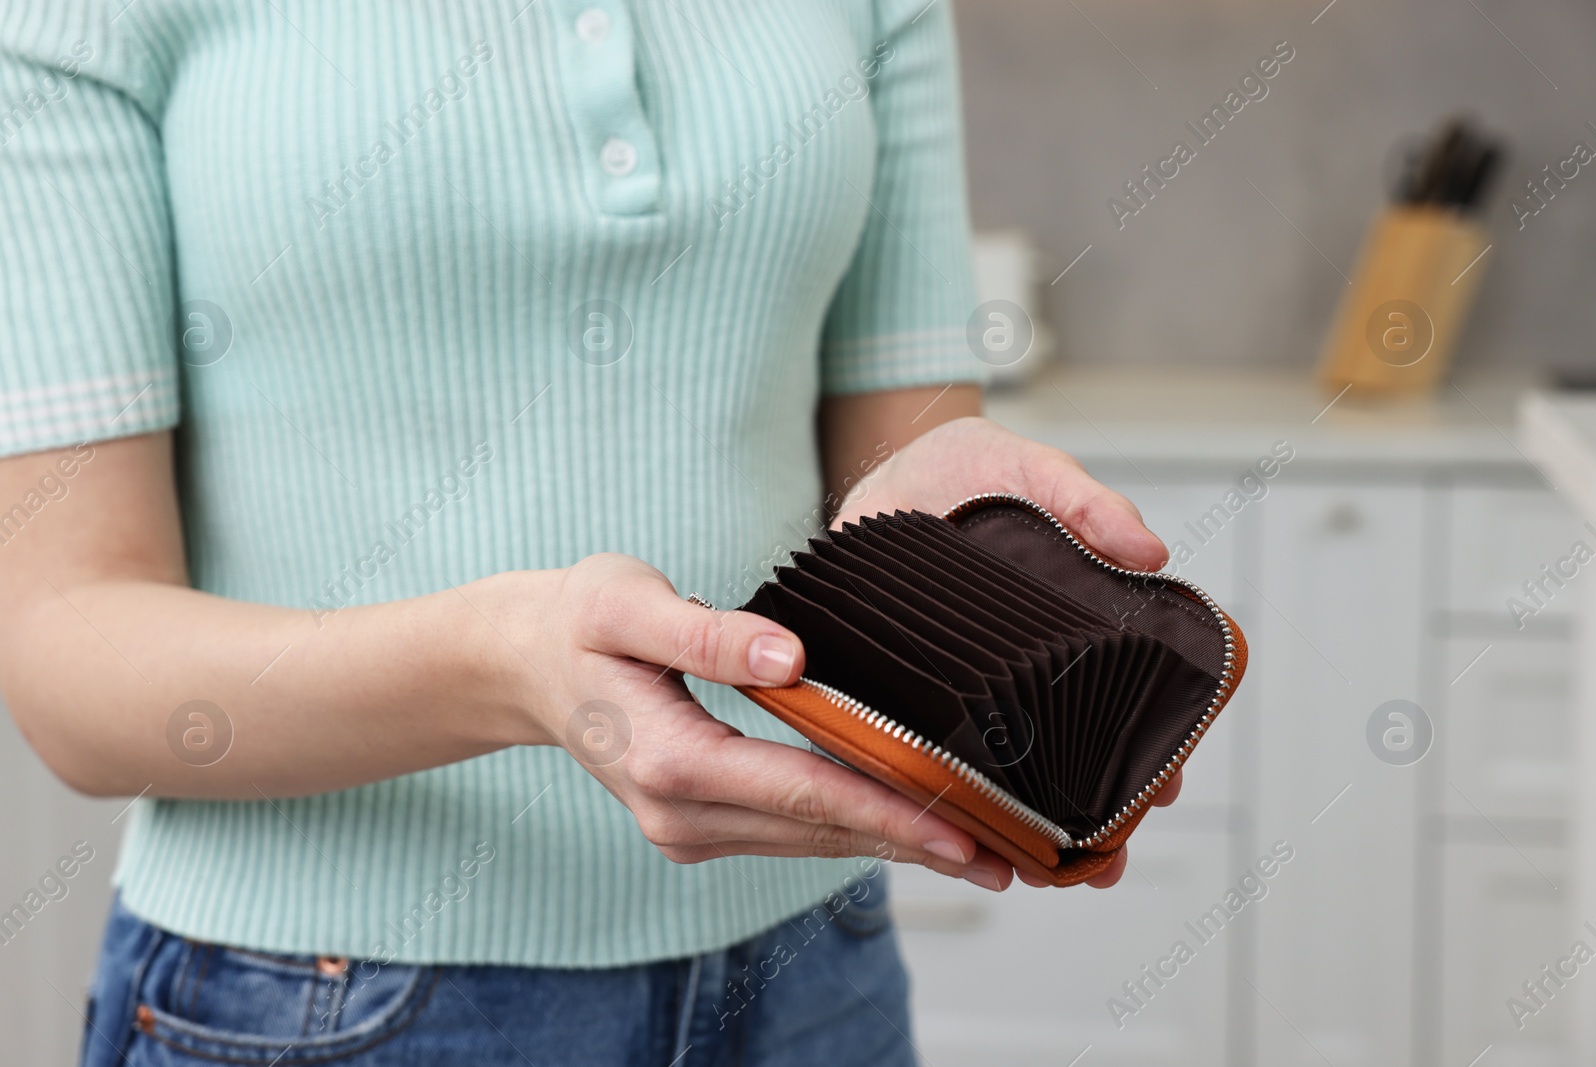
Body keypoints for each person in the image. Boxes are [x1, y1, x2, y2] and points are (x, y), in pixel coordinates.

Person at [0, 2, 1176, 1063]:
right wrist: (504, 662)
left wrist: (957, 536)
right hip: (319, 1003)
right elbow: (69, 661)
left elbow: (891, 459)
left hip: (809, 969)